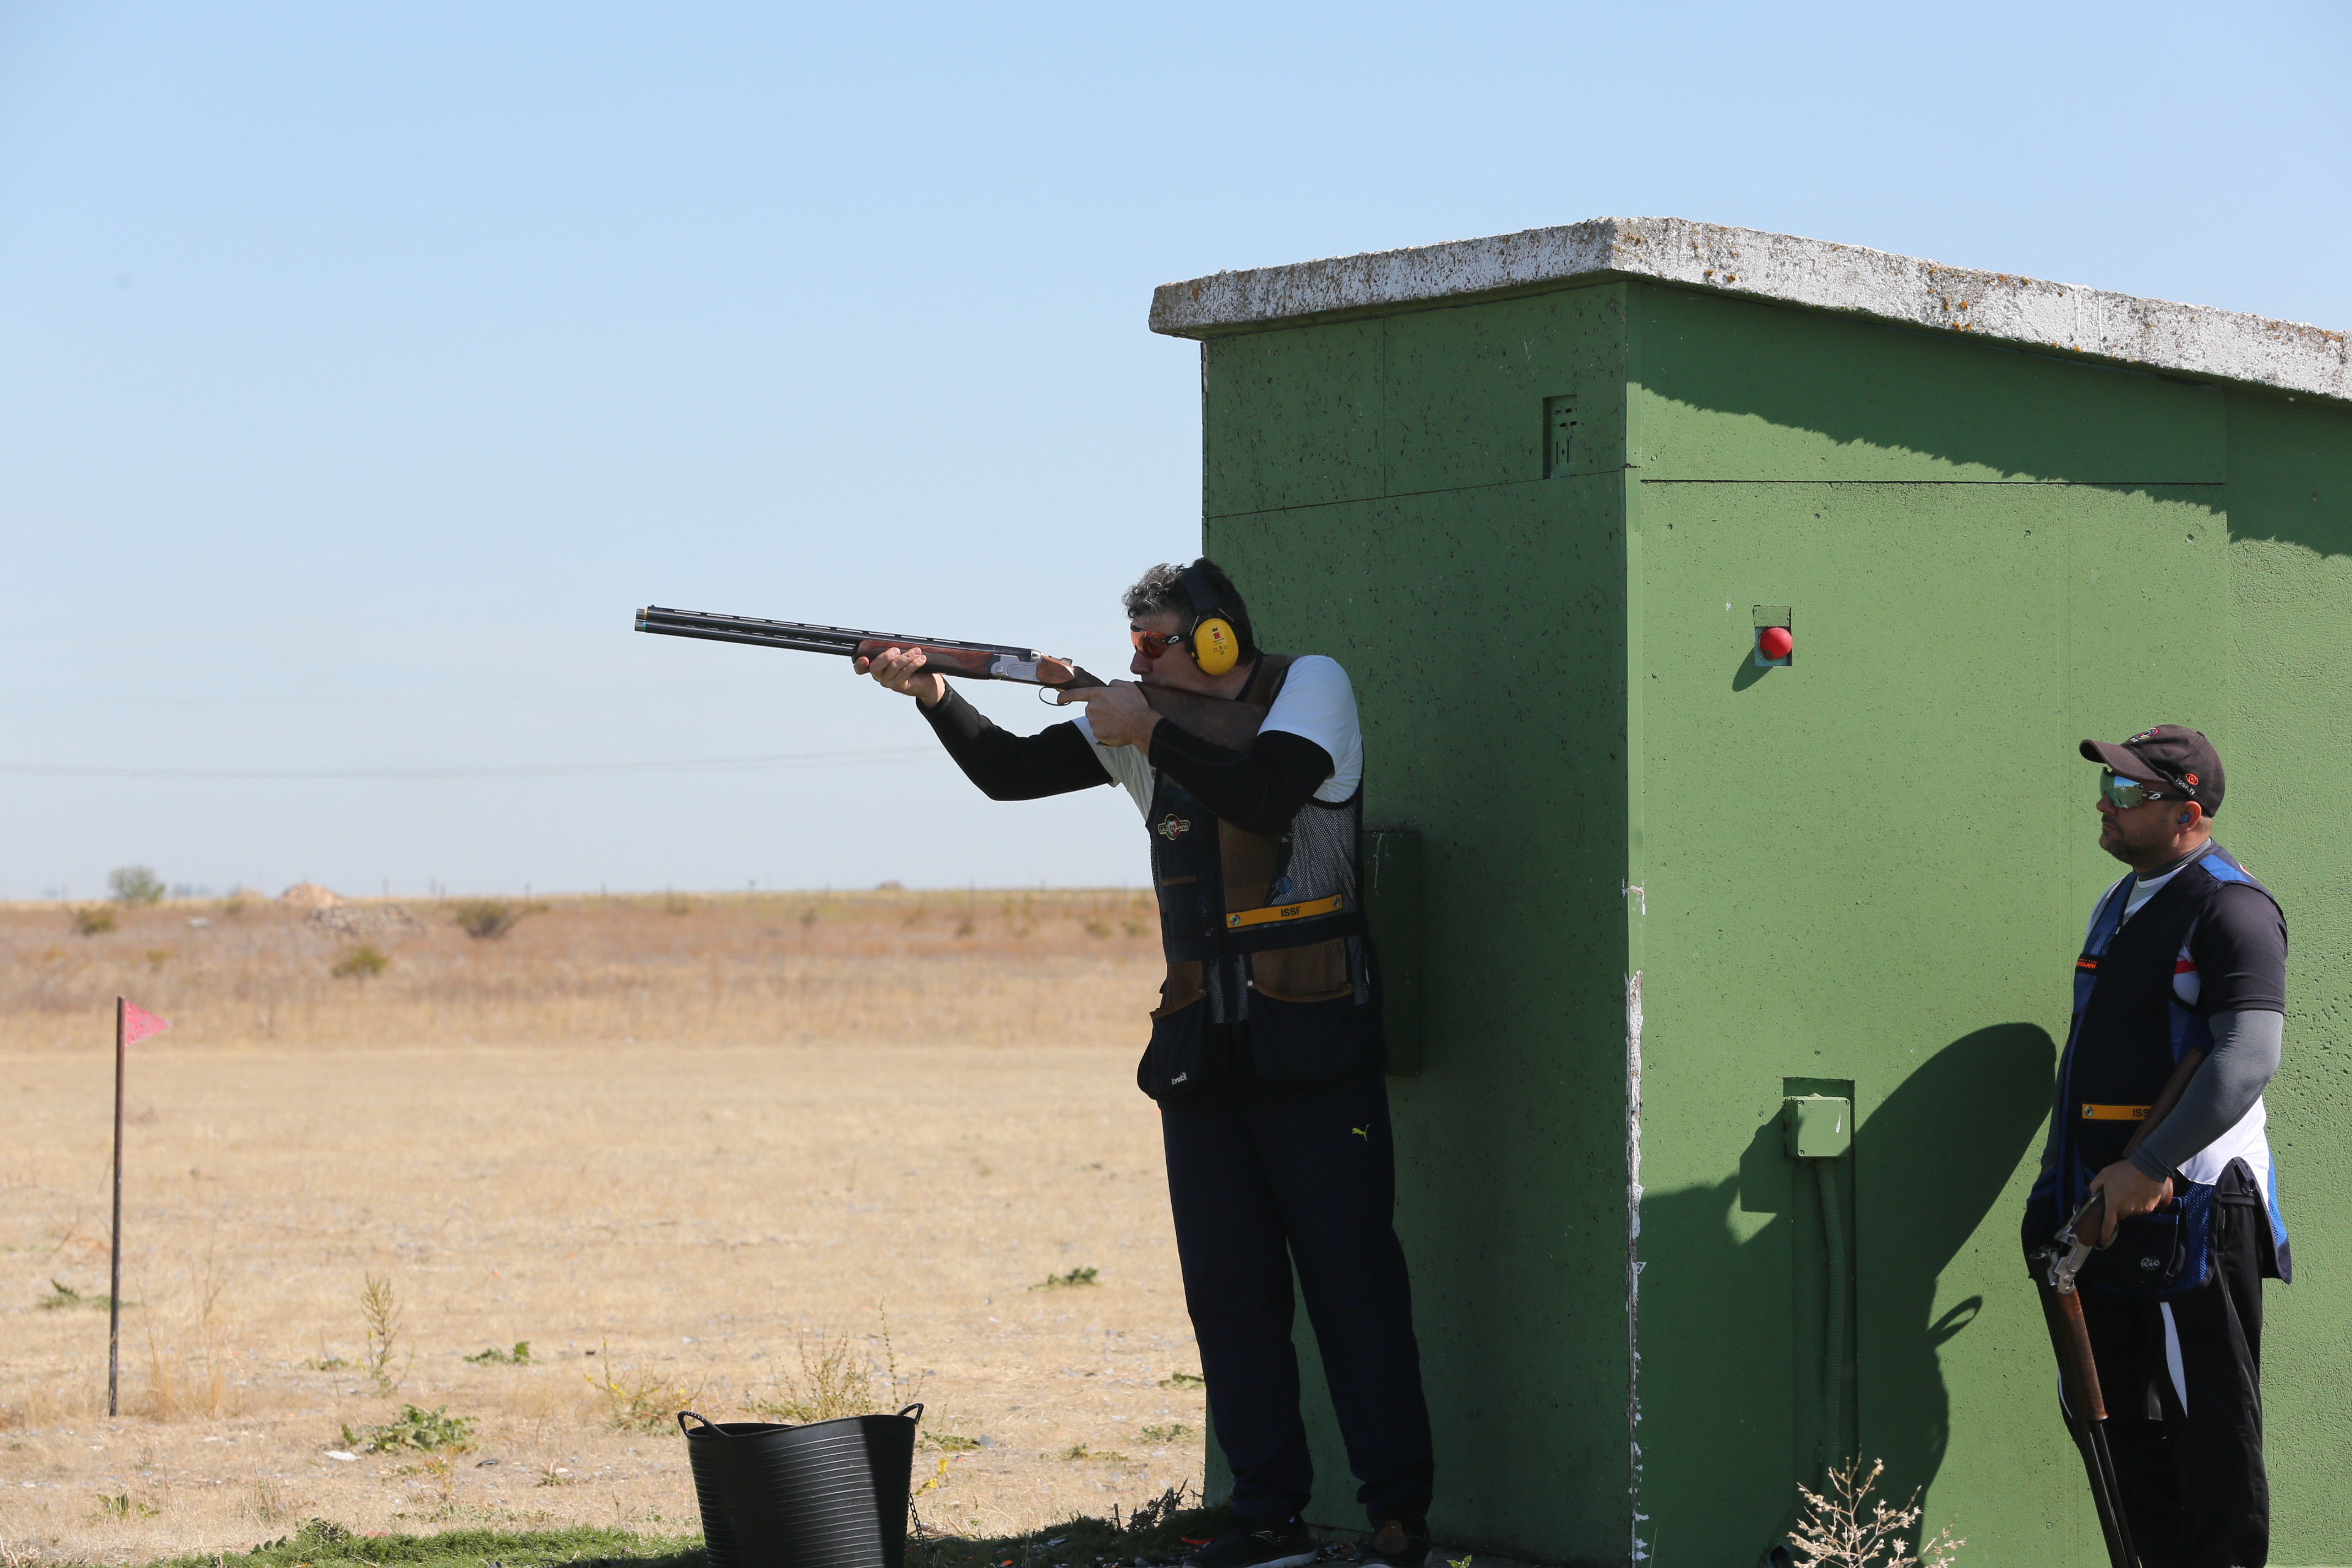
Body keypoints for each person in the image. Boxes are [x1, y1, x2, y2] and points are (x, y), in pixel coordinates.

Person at [856, 559, 1434, 1568]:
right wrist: (934, 692)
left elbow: (1263, 795)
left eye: (1158, 644)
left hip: (1314, 1035)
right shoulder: (1139, 722)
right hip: (1203, 1053)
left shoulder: (1311, 687)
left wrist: (1143, 724)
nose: (1139, 663)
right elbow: (1009, 772)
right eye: (1132, 647)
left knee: (1354, 1285)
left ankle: (1396, 1517)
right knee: (1229, 1293)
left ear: (1218, 637)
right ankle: (1267, 1516)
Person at [2024, 725, 2290, 1568]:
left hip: (2197, 1208)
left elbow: (2247, 1058)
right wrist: (2057, 1189)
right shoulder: (2122, 898)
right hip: (2109, 1203)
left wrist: (2149, 1164)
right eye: (2110, 784)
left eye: (2132, 791)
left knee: (2208, 1429)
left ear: (2190, 810)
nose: (2107, 800)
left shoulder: (2232, 907)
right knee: (2114, 1420)